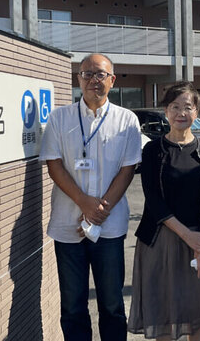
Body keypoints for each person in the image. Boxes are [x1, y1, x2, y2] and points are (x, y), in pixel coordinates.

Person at [39, 53, 142, 341]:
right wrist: (84, 202)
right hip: (67, 225)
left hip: (109, 227)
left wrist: (99, 210)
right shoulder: (59, 118)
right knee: (72, 306)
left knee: (112, 305)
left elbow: (128, 169)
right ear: (78, 79)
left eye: (100, 74)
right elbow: (54, 165)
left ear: (112, 80)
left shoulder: (127, 120)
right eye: (86, 74)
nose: (93, 80)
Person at [129, 82, 200, 341]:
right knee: (164, 313)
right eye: (175, 107)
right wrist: (189, 237)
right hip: (160, 240)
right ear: (166, 111)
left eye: (188, 107)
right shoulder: (153, 150)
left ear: (197, 112)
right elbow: (154, 200)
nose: (181, 113)